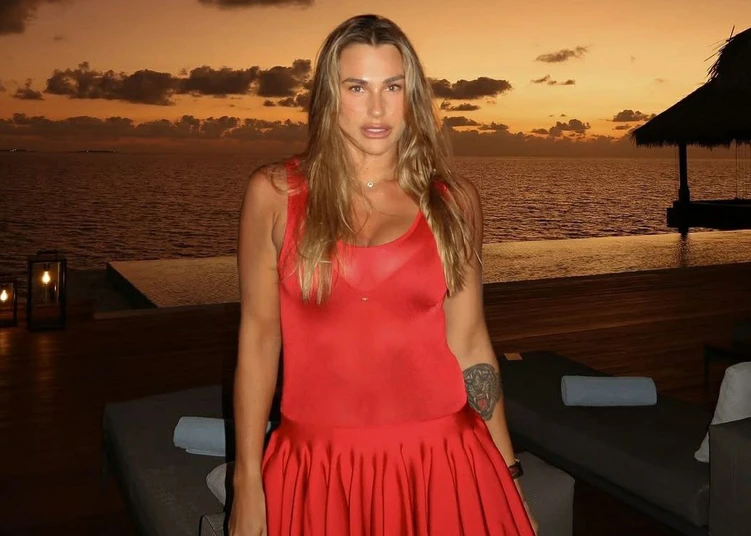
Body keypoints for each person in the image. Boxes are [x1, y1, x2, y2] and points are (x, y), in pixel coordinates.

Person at [230, 13, 538, 536]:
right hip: (317, 467)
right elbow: (259, 340)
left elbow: (470, 346)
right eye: (357, 87)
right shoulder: (275, 194)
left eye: (392, 87)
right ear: (329, 97)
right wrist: (247, 481)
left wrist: (509, 474)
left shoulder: (454, 203)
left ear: (411, 96)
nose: (377, 109)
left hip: (442, 462)